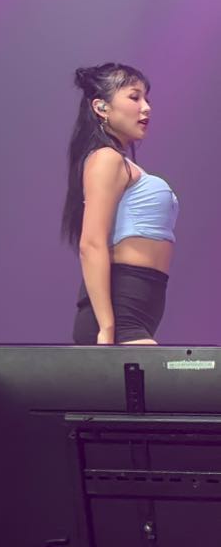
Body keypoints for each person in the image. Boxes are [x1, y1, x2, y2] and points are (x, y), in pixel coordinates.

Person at [64, 63, 176, 345]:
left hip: (137, 312)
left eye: (147, 98)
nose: (146, 108)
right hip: (119, 317)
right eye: (134, 97)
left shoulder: (120, 163)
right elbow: (91, 244)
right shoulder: (106, 159)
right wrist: (107, 328)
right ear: (101, 107)